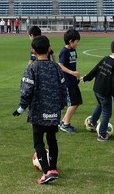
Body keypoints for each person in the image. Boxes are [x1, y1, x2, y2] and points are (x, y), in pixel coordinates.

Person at [13, 35, 67, 184]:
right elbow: (63, 87)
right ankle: (53, 168)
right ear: (49, 49)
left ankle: (47, 171)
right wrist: (61, 105)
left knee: (38, 141)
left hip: (38, 111)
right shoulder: (56, 67)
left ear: (33, 51)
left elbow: (26, 90)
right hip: (53, 110)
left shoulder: (32, 67)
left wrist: (21, 107)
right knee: (52, 139)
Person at [82, 38, 114, 142]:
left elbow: (95, 70)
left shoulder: (105, 58)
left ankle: (92, 122)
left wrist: (85, 78)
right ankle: (102, 134)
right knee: (107, 112)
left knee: (100, 105)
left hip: (96, 89)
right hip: (105, 93)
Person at [59, 29, 82, 133]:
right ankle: (66, 124)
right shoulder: (64, 51)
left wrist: (76, 76)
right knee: (73, 103)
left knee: (77, 102)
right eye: (77, 41)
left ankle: (63, 121)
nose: (78, 43)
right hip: (68, 82)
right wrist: (72, 73)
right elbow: (60, 66)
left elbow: (73, 64)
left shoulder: (73, 50)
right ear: (70, 41)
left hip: (73, 81)